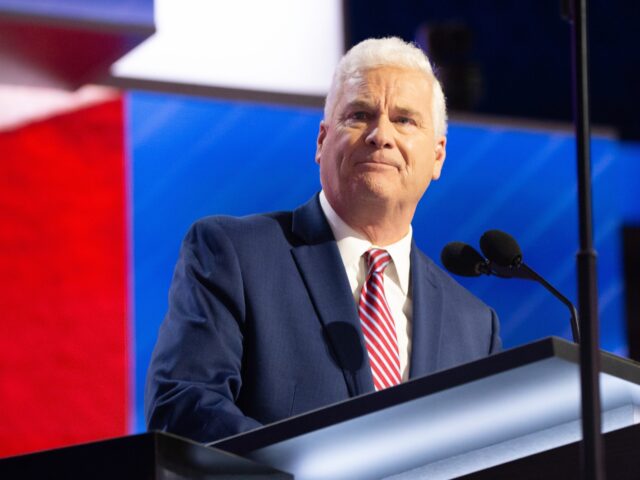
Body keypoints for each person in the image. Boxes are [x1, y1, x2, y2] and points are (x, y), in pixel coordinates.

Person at [145, 37, 501, 444]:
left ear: (438, 156)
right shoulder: (233, 254)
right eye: (360, 114)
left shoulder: (475, 326)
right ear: (321, 140)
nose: (380, 135)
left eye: (404, 120)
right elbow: (185, 406)